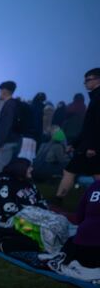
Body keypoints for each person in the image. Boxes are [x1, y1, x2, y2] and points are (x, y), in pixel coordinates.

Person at [52, 68, 100, 204]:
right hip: (89, 145)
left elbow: (96, 126)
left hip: (92, 147)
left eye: (88, 79)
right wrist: (74, 144)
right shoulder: (94, 98)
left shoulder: (98, 98)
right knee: (74, 172)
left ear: (98, 79)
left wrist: (93, 147)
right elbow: (89, 126)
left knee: (70, 171)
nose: (85, 83)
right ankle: (58, 199)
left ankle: (58, 200)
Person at [0, 81, 22, 195]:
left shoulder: (9, 105)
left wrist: (1, 142)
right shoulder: (10, 104)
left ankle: (3, 192)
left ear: (5, 91)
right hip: (4, 142)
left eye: (0, 90)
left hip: (6, 142)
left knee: (2, 168)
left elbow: (6, 125)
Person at [0, 157, 48, 225]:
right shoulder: (4, 185)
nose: (32, 169)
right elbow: (9, 209)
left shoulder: (27, 182)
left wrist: (42, 209)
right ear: (20, 169)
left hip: (33, 215)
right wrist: (35, 212)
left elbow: (40, 199)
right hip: (7, 220)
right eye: (29, 167)